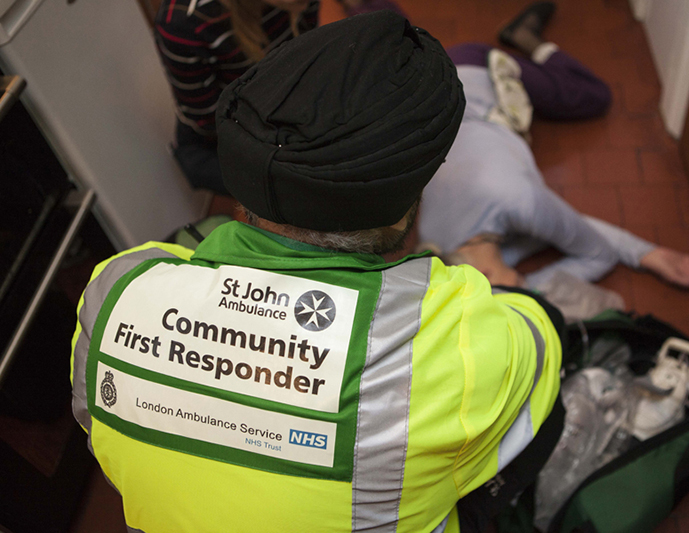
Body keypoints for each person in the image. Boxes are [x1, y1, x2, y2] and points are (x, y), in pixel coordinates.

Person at [71, 12, 563, 533]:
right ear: (406, 198)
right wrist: (506, 295)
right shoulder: (459, 341)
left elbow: (97, 427)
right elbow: (540, 349)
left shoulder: (113, 292)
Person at [418, 2, 689, 291]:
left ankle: (530, 39)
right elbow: (555, 230)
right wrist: (653, 257)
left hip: (474, 65)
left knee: (594, 95)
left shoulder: (518, 201)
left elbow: (597, 253)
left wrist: (530, 287)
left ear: (486, 275)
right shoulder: (439, 248)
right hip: (433, 89)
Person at [154, 0, 406, 196]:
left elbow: (304, 54)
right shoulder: (184, 22)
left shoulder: (293, 8)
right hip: (222, 134)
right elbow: (211, 120)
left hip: (282, 101)